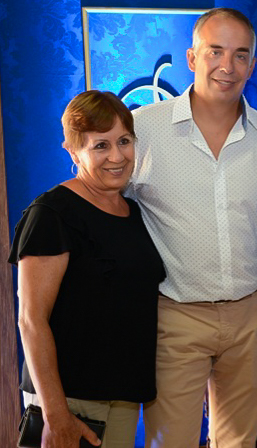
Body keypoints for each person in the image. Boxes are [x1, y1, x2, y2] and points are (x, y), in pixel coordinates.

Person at [125, 8, 257, 448]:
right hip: (175, 313)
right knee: (172, 442)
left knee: (239, 443)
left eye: (240, 55)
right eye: (215, 51)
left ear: (252, 65)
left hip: (253, 315)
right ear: (191, 57)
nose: (228, 66)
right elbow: (107, 208)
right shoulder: (143, 129)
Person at [9, 90, 166, 447]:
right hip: (69, 399)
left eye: (124, 141)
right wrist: (55, 414)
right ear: (73, 150)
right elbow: (31, 321)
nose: (117, 156)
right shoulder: (52, 214)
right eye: (100, 146)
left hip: (124, 396)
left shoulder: (134, 212)